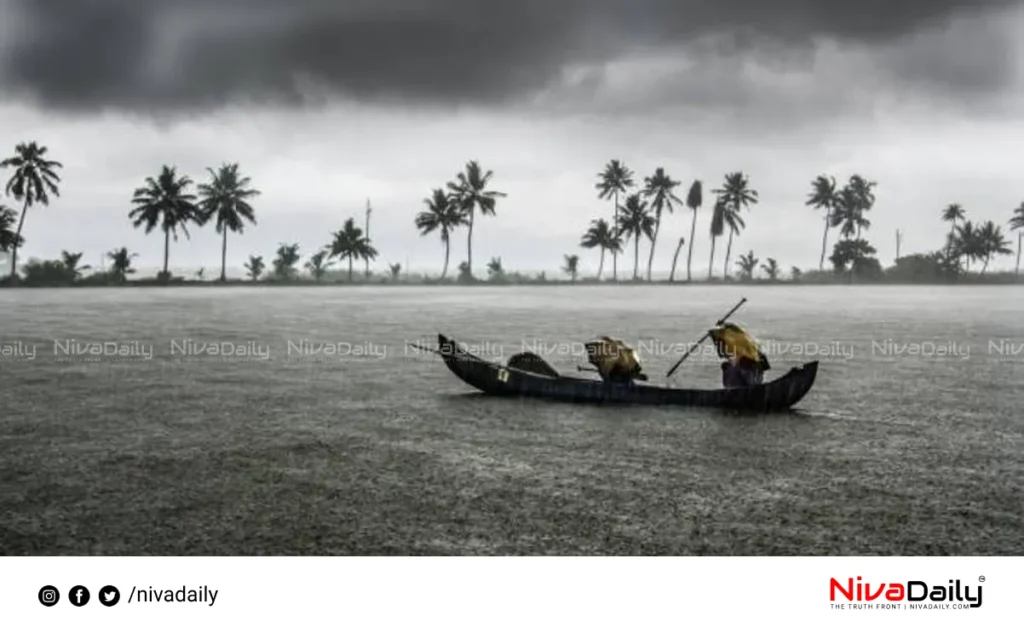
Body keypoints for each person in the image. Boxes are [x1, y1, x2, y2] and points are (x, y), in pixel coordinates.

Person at [708, 322, 770, 388]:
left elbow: (722, 353)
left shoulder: (740, 349)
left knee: (732, 368)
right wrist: (724, 324)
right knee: (728, 366)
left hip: (748, 376)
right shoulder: (741, 337)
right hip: (750, 371)